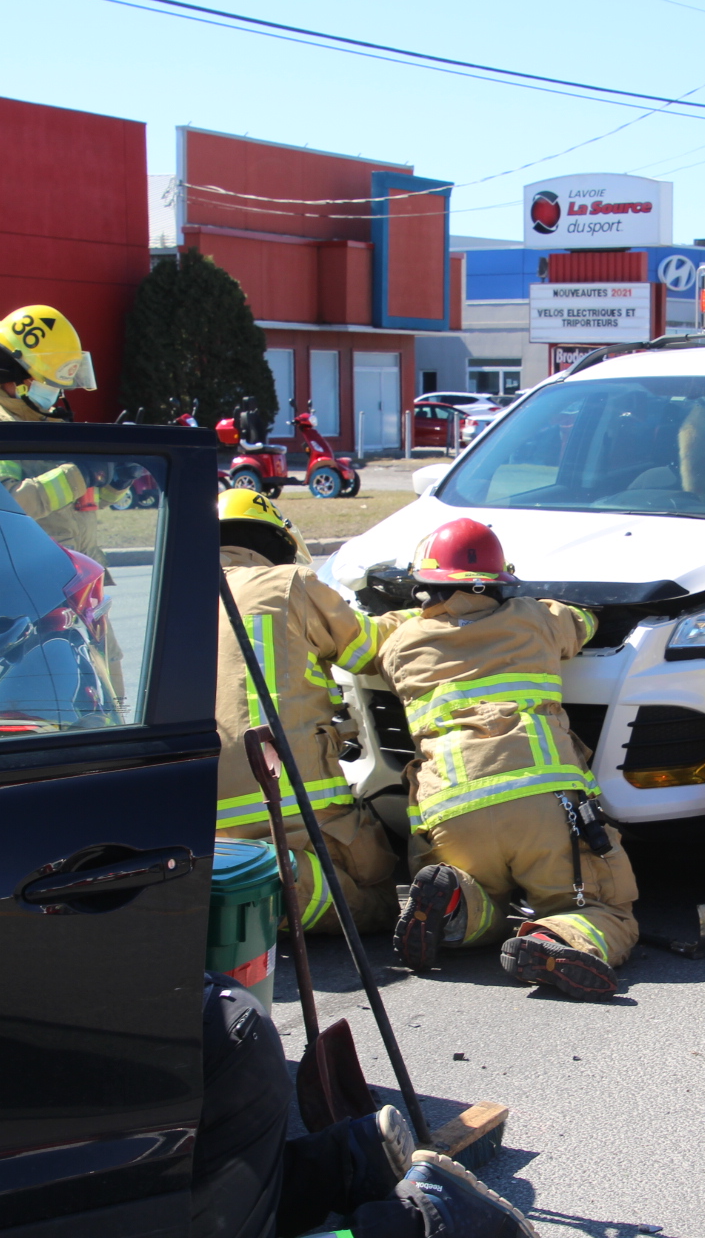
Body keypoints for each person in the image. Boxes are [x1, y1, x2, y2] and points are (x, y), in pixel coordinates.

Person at [378, 519, 638, 1000]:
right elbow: (585, 621)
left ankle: (454, 904)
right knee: (601, 909)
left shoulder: (401, 643)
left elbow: (371, 648)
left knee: (486, 904)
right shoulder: (535, 618)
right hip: (541, 804)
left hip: (451, 813)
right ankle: (557, 939)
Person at [193, 972, 538, 1238]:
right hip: (216, 1014)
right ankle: (346, 1162)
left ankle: (419, 1223)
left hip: (211, 1048)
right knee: (212, 1196)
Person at [216, 489, 409, 934]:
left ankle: (236, 891)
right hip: (294, 804)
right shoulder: (287, 584)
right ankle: (278, 883)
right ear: (279, 544)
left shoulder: (172, 604)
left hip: (205, 822)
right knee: (378, 895)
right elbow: (366, 650)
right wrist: (421, 615)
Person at [0, 305, 138, 695]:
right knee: (72, 698)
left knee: (110, 683)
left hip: (76, 588)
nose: (58, 395)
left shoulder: (36, 421)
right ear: (20, 379)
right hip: (36, 596)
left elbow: (72, 506)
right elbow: (5, 504)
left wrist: (116, 482)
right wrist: (81, 472)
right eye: (51, 383)